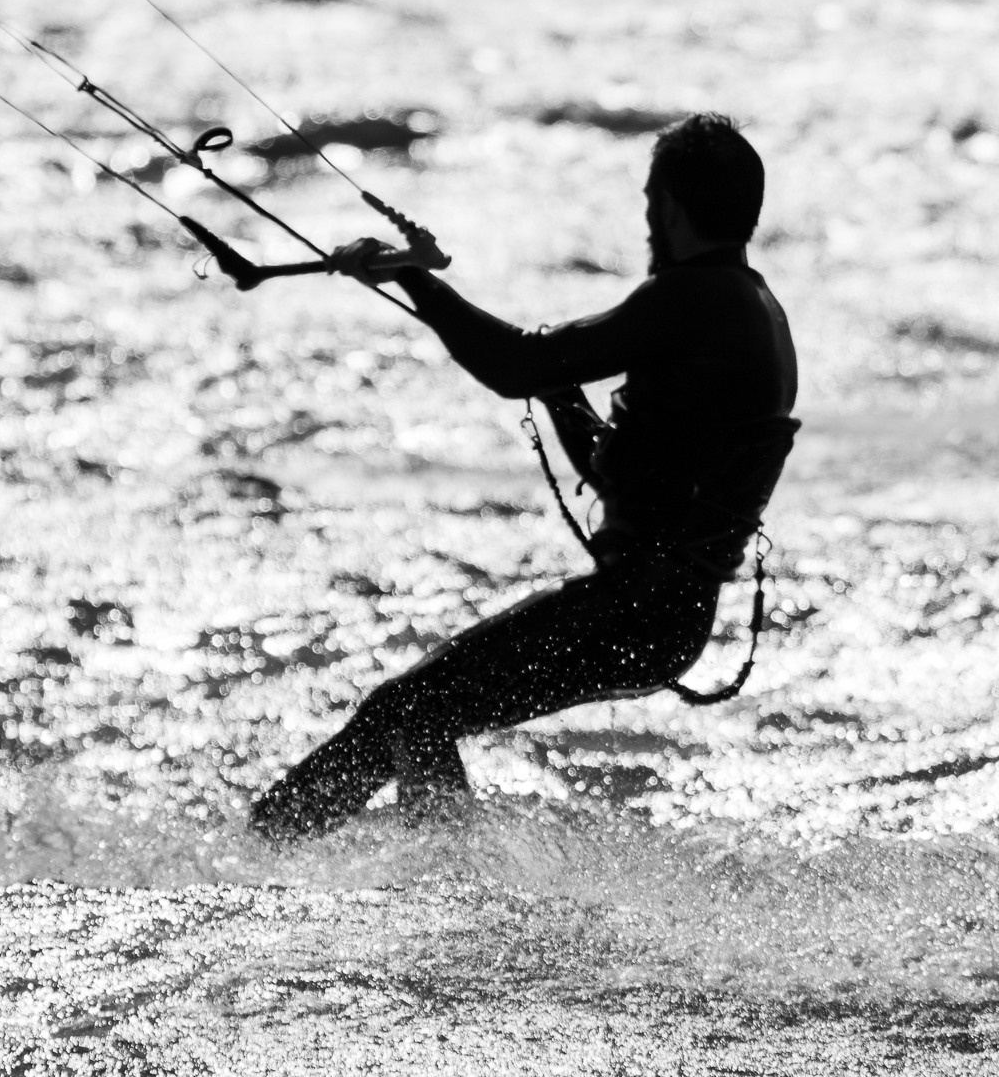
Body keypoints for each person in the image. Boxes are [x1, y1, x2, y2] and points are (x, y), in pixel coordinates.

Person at [250, 113, 799, 836]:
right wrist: (559, 386)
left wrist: (414, 278)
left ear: (666, 204)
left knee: (409, 709)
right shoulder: (753, 309)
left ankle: (293, 849)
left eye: (647, 203)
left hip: (633, 609)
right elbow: (625, 469)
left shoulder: (695, 298)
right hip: (664, 615)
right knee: (417, 712)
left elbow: (517, 365)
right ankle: (404, 872)